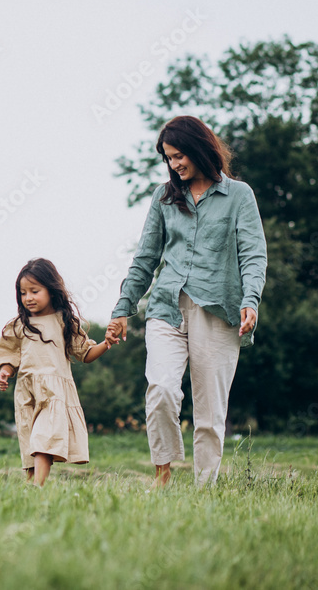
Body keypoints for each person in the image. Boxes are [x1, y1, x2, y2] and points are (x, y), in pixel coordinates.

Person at [106, 115, 267, 487]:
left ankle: (203, 490)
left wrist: (251, 300)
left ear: (199, 149)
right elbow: (146, 258)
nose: (175, 164)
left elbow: (254, 254)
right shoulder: (164, 197)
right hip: (166, 307)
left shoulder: (238, 195)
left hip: (219, 310)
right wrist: (122, 309)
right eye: (168, 158)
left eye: (180, 155)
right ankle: (163, 476)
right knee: (160, 388)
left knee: (210, 412)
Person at [0, 258, 113, 487]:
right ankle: (31, 484)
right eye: (23, 293)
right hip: (27, 393)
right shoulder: (20, 324)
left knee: (43, 437)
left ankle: (38, 484)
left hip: (53, 393)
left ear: (51, 290)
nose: (28, 297)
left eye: (34, 291)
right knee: (30, 438)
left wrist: (106, 343)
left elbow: (85, 353)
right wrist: (5, 371)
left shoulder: (64, 322)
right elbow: (10, 354)